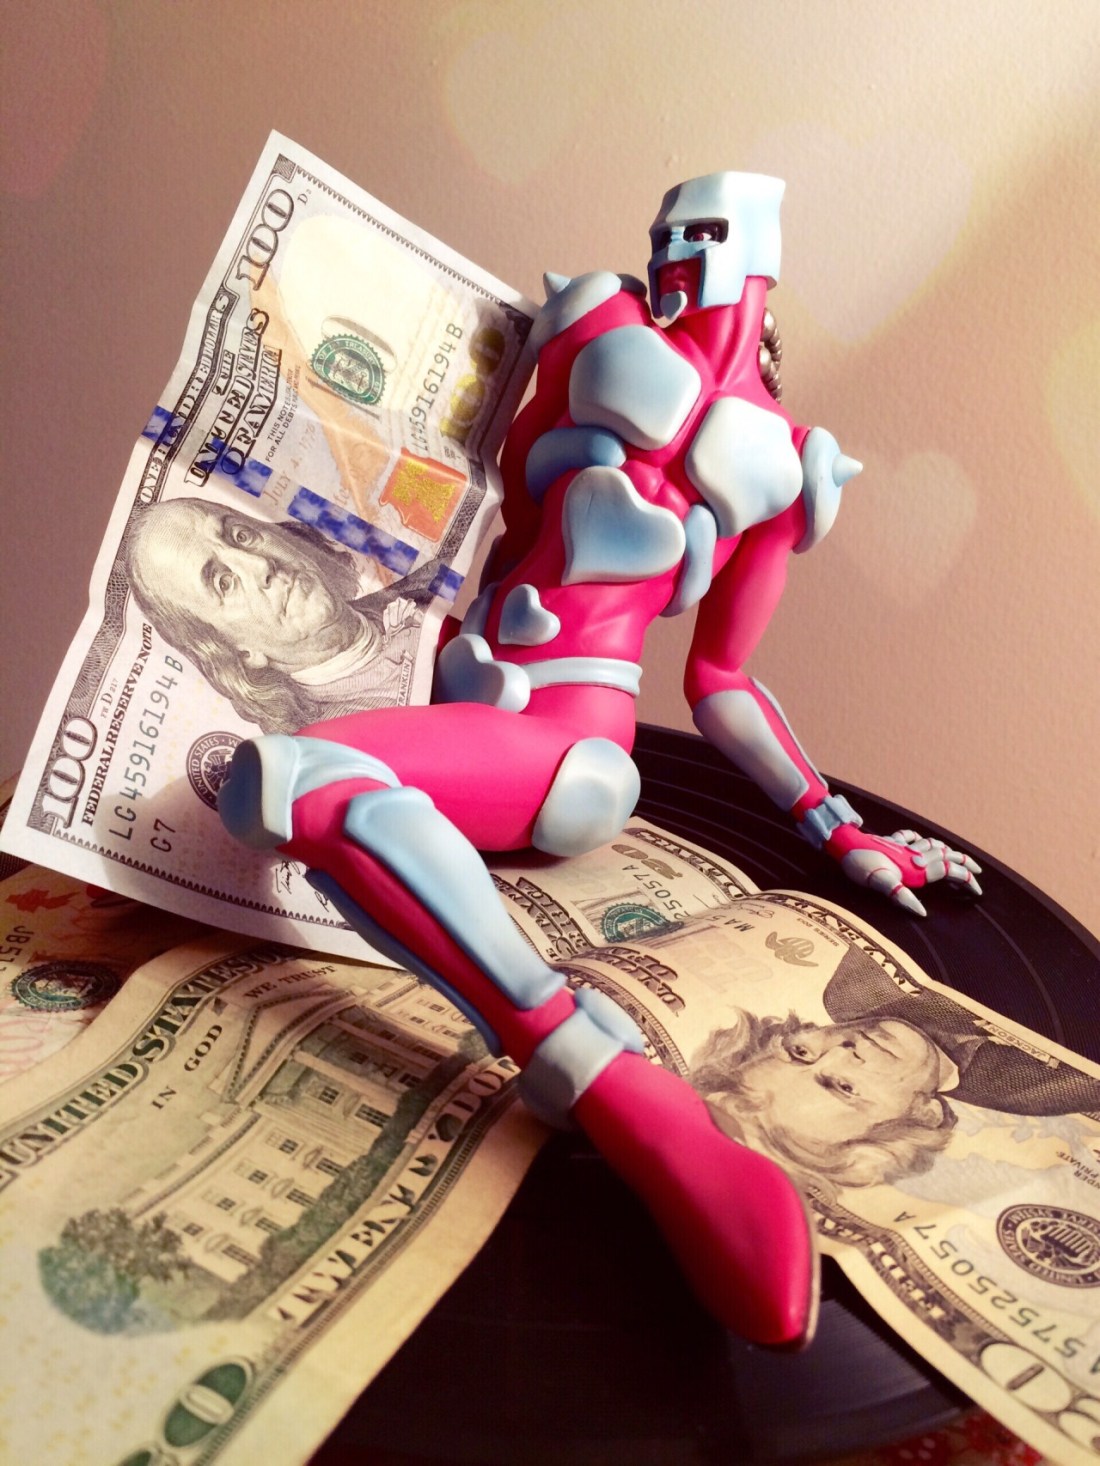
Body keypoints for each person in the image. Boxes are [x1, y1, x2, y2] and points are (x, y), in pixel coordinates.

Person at [217, 172, 983, 1348]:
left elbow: (720, 679)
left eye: (705, 233)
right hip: (452, 684)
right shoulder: (591, 326)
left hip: (565, 734)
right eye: (669, 229)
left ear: (759, 257)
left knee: (292, 780)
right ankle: (593, 1066)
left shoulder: (783, 462)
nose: (677, 250)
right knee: (275, 779)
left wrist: (835, 825)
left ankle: (606, 1084)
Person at [121, 498, 441, 730]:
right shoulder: (337, 748)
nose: (260, 564)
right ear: (239, 652)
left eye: (241, 536)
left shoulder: (432, 582)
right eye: (224, 583)